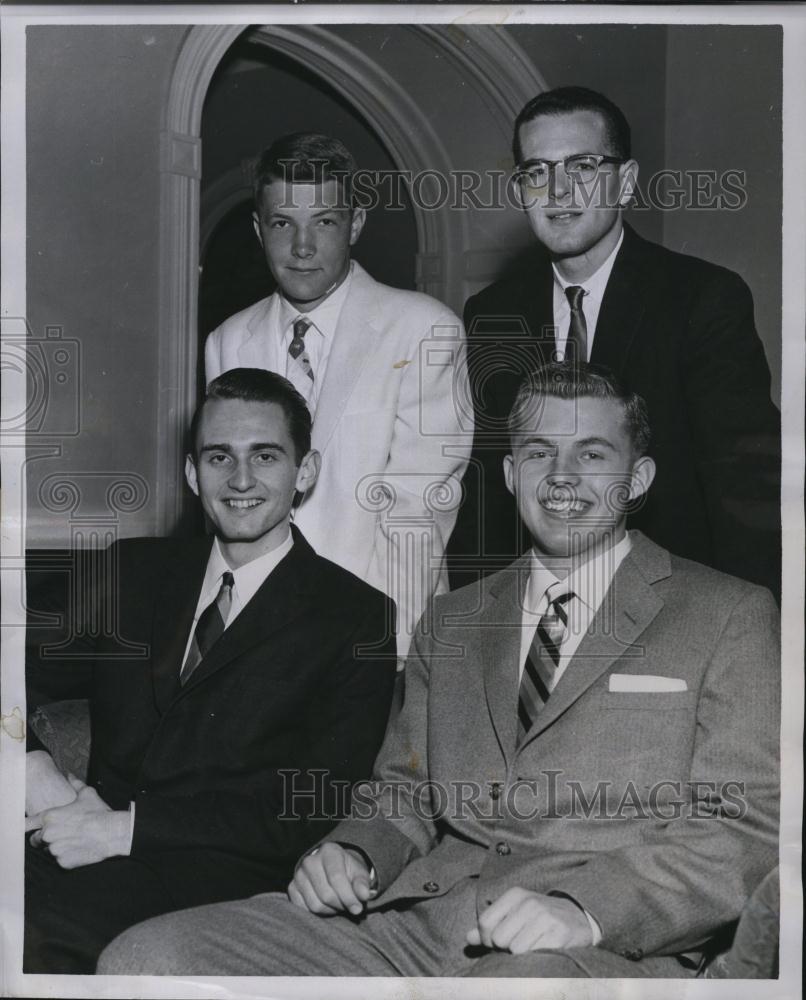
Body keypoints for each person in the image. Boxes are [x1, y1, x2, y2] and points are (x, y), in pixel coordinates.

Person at [98, 362, 779, 978]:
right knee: (145, 958)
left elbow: (745, 823)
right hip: (411, 928)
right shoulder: (452, 619)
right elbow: (404, 793)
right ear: (512, 475)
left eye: (591, 455)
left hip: (587, 947)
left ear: (638, 479)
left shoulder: (727, 614)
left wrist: (584, 906)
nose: (562, 477)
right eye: (538, 453)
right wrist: (353, 852)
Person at [24, 368, 397, 973]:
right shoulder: (134, 571)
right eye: (219, 456)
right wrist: (32, 768)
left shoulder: (356, 617)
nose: (241, 479)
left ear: (306, 472)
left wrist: (127, 832)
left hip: (212, 891)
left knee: (32, 936)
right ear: (193, 475)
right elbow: (18, 670)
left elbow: (316, 801)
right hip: (69, 844)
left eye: (266, 456)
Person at [449, 86, 780, 599]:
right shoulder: (493, 314)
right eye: (536, 172)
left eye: (581, 167)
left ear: (625, 183)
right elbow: (491, 486)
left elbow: (746, 488)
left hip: (672, 606)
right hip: (537, 610)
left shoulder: (701, 299)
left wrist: (747, 630)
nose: (557, 192)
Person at [205, 133, 471, 657]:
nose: (302, 247)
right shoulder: (228, 339)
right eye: (283, 223)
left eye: (324, 222)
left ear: (356, 225)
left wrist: (377, 654)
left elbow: (417, 516)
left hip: (375, 635)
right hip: (253, 637)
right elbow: (228, 505)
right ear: (259, 230)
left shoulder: (422, 329)